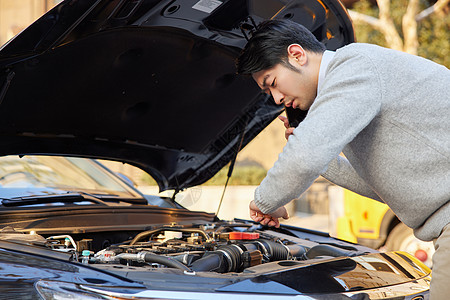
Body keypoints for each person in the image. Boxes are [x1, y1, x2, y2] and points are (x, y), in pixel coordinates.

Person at [236, 19, 450, 299]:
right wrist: (325, 162)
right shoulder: (356, 83)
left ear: (297, 55)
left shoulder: (355, 66)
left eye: (273, 83)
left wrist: (264, 201)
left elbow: (304, 156)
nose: (276, 98)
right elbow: (385, 186)